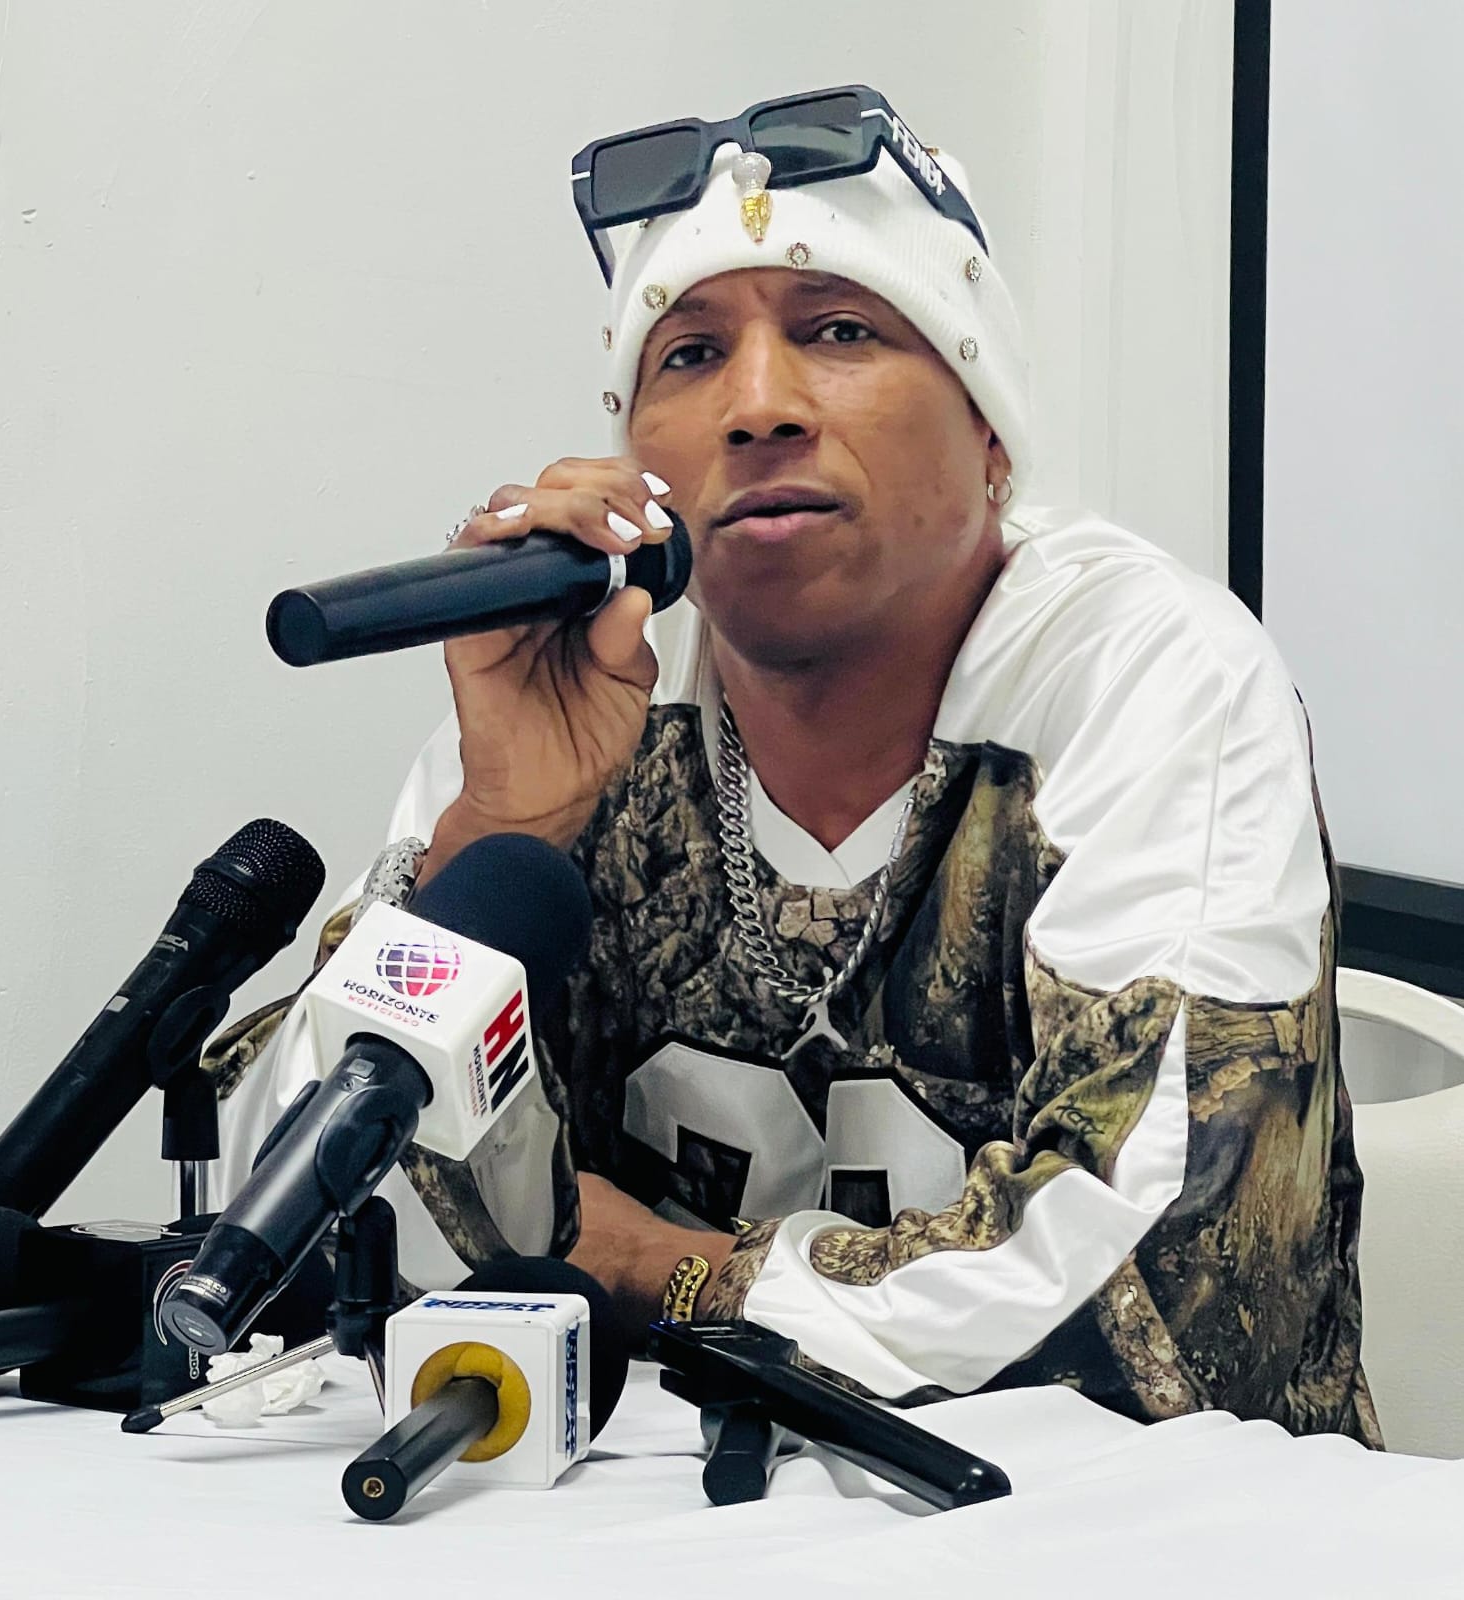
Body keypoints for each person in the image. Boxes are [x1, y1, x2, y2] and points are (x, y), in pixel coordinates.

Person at [213, 86, 1379, 1441]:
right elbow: (284, 1244)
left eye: (839, 332)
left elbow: (1158, 1302)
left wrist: (654, 1270)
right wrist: (501, 818)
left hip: (1128, 1527)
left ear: (992, 436)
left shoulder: (1140, 673)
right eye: (691, 354)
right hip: (646, 1518)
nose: (757, 406)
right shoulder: (586, 702)